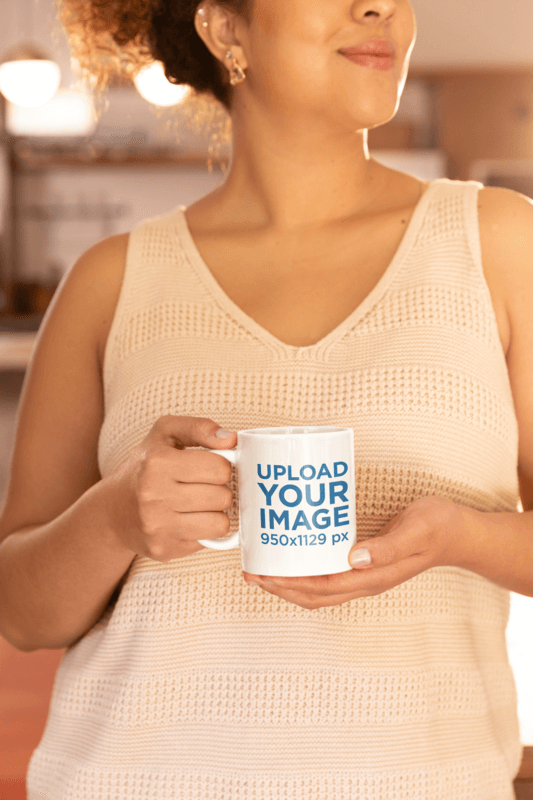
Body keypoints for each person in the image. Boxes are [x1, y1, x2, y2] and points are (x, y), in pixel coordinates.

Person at [0, 0, 532, 797]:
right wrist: (116, 517)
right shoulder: (111, 280)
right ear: (223, 29)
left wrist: (460, 539)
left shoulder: (497, 243)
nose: (379, 6)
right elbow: (21, 612)